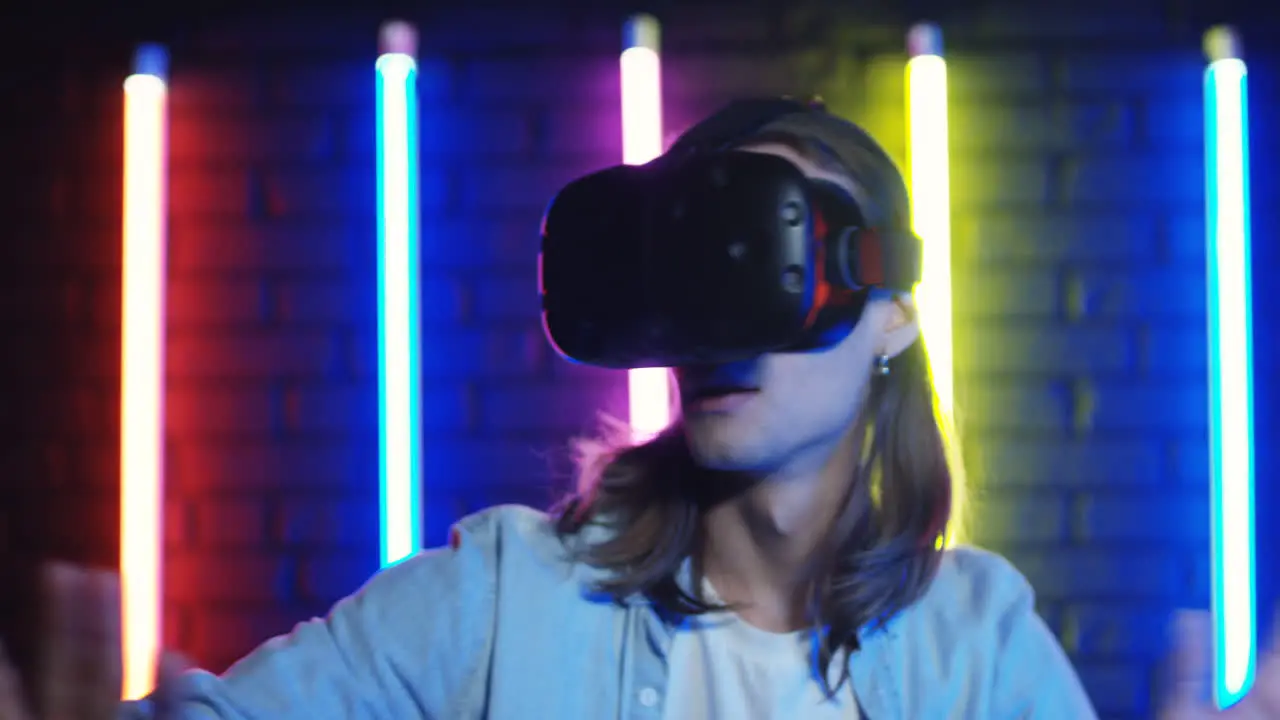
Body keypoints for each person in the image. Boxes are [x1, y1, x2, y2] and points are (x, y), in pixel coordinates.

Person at [1, 99, 1276, 719]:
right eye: (688, 273)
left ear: (890, 312)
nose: (713, 329)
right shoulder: (500, 602)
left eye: (759, 261)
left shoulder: (979, 647)